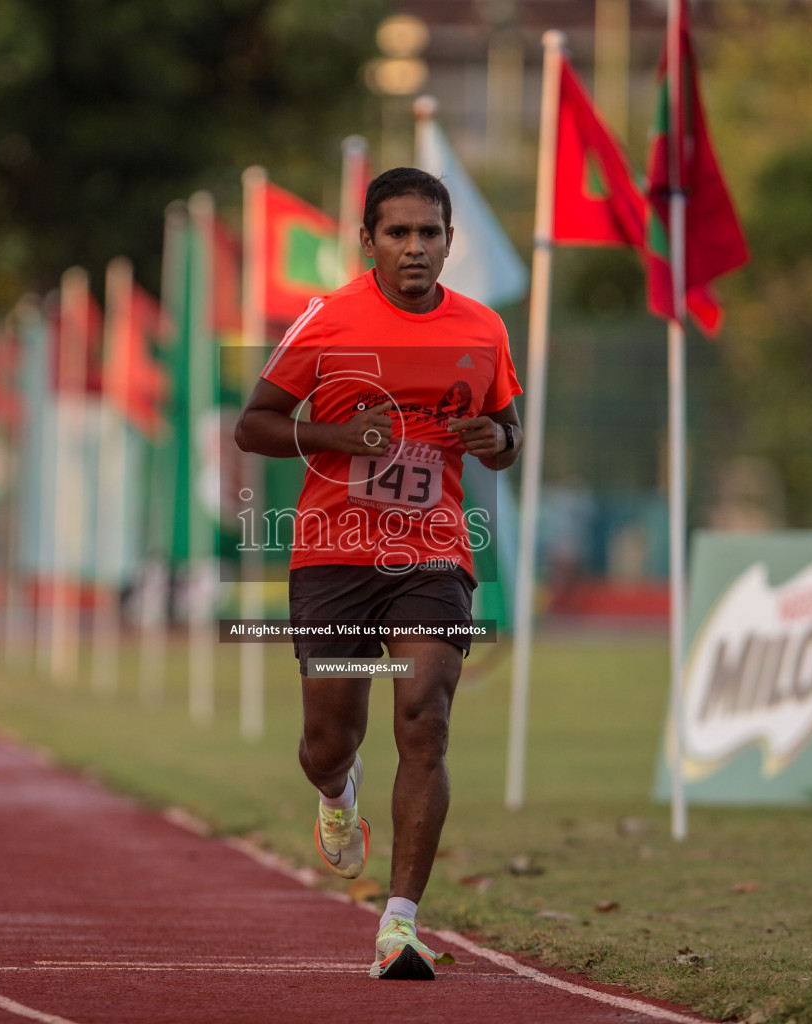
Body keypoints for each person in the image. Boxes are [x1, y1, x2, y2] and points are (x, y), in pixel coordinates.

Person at [235, 167, 523, 980]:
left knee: (424, 717)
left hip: (433, 550)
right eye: (397, 233)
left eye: (429, 233)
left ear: (449, 242)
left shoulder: (483, 329)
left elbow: (509, 434)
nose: (415, 248)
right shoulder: (328, 320)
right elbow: (252, 426)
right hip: (332, 554)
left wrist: (493, 443)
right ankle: (336, 793)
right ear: (368, 242)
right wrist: (335, 435)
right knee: (329, 740)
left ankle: (399, 925)